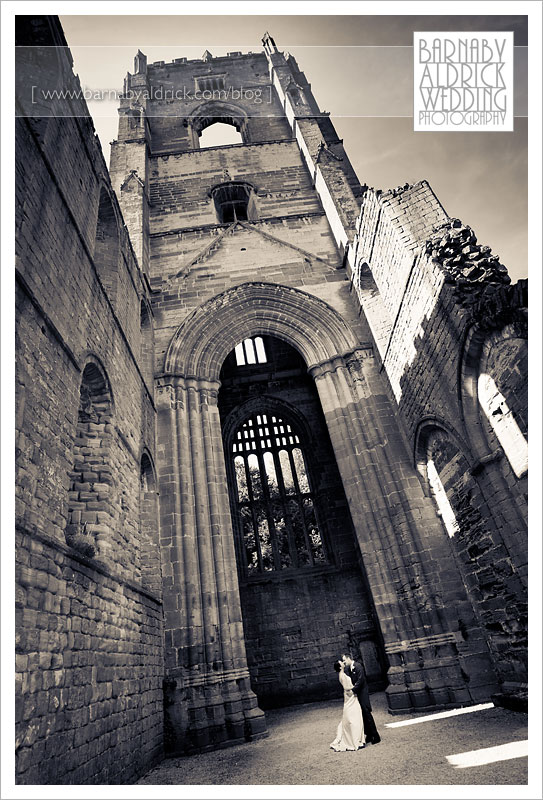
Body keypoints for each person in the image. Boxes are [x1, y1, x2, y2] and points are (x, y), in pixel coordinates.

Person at [342, 652, 381, 745]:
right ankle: (369, 734)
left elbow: (361, 679)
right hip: (358, 694)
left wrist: (353, 690)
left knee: (367, 713)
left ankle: (376, 735)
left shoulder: (358, 666)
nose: (344, 662)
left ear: (348, 658)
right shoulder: (349, 668)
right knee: (362, 714)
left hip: (362, 693)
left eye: (344, 660)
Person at [329, 660, 365, 752]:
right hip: (350, 697)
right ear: (340, 667)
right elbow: (346, 688)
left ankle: (358, 739)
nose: (342, 662)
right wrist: (355, 688)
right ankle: (355, 741)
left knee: (355, 717)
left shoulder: (342, 674)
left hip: (350, 697)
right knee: (354, 718)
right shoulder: (342, 675)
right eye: (341, 662)